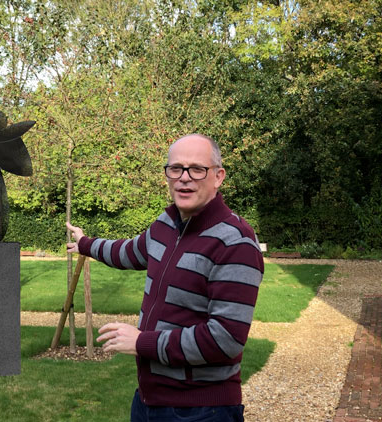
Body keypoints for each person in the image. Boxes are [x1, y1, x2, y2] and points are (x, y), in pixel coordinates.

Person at [66, 134, 263, 422]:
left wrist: (141, 343)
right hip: (148, 403)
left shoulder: (235, 243)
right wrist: (86, 244)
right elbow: (130, 252)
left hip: (201, 411)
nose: (185, 178)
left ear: (218, 176)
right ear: (167, 175)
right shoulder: (167, 224)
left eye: (197, 169)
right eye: (176, 169)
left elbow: (226, 339)